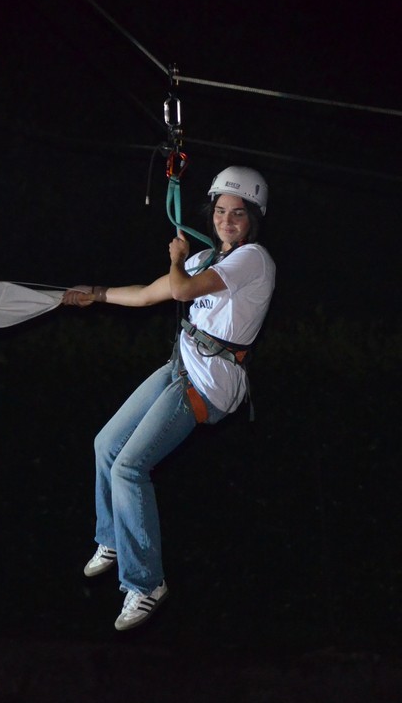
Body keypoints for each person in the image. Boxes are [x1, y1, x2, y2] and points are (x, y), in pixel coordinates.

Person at [60, 165, 276, 630]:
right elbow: (146, 295)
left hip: (209, 383)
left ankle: (145, 583)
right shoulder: (208, 260)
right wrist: (95, 294)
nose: (226, 220)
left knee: (129, 467)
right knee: (105, 445)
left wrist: (177, 260)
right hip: (180, 367)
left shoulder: (253, 261)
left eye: (237, 214)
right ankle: (111, 538)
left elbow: (180, 288)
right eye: (220, 211)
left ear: (253, 219)